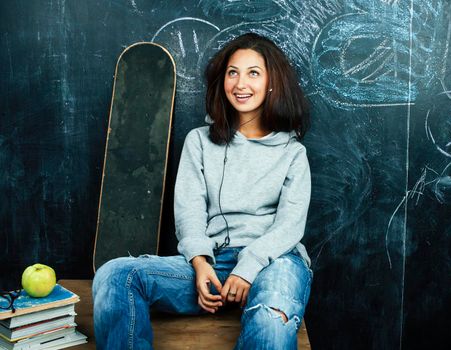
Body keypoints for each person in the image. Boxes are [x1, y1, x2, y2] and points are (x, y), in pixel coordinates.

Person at [92, 32, 313, 350]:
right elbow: (190, 210)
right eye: (232, 72)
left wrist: (248, 268)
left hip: (275, 262)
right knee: (116, 275)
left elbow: (289, 225)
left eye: (253, 73)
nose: (240, 84)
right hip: (213, 263)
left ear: (272, 83)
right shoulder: (200, 141)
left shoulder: (293, 152)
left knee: (270, 320)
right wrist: (199, 262)